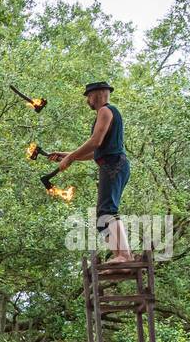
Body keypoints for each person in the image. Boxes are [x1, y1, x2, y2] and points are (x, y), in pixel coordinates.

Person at [48, 81, 133, 263]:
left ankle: (124, 255)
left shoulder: (105, 110)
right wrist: (68, 155)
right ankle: (121, 256)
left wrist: (70, 158)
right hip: (111, 163)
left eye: (88, 95)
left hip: (113, 164)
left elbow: (95, 141)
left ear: (98, 93)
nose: (87, 99)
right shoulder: (106, 113)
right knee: (103, 215)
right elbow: (96, 152)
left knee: (107, 211)